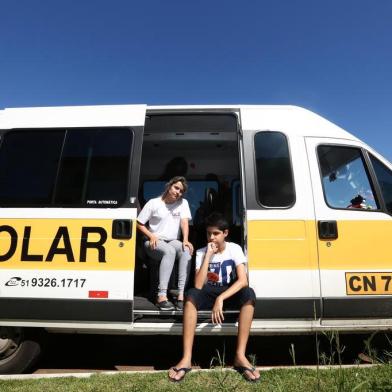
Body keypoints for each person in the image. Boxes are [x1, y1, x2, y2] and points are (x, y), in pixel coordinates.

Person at [168, 213, 260, 383]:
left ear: (225, 233)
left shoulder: (235, 249)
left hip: (227, 291)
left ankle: (240, 356)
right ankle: (186, 358)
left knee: (249, 294)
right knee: (191, 296)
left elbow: (242, 280)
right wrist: (208, 257)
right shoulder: (202, 251)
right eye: (209, 233)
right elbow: (198, 284)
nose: (211, 237)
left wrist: (221, 299)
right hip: (208, 291)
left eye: (216, 233)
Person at [137, 176, 194, 311]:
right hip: (154, 241)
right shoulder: (154, 203)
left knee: (186, 250)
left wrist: (185, 240)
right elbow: (139, 223)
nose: (178, 192)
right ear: (169, 186)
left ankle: (181, 295)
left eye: (181, 191)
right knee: (169, 251)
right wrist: (151, 236)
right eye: (176, 188)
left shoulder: (183, 203)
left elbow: (184, 222)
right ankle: (161, 296)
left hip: (172, 240)